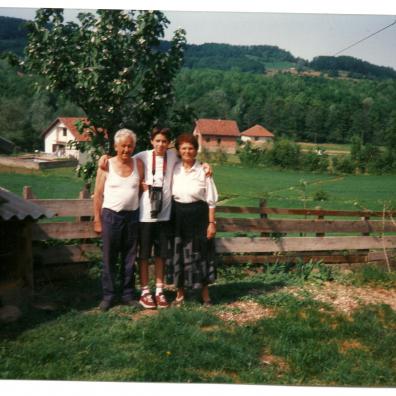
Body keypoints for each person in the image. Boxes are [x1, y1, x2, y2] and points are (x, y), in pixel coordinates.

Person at [98, 127, 212, 310]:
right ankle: (144, 291)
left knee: (161, 255)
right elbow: (121, 157)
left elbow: (189, 156)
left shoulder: (173, 157)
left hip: (165, 216)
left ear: (168, 144)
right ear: (151, 141)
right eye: (157, 141)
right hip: (144, 216)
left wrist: (205, 165)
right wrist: (104, 157)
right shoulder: (141, 156)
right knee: (143, 255)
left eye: (164, 141)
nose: (160, 144)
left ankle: (159, 290)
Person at [93, 129, 144, 311]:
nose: (126, 149)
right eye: (123, 146)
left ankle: (128, 294)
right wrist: (97, 220)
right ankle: (108, 296)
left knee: (130, 258)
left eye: (130, 146)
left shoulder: (139, 164)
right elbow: (98, 195)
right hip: (111, 216)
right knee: (109, 258)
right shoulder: (106, 165)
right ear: (115, 146)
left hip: (132, 217)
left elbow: (140, 189)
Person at [168, 133, 218, 306]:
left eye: (191, 148)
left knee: (201, 253)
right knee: (179, 253)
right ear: (179, 151)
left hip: (199, 215)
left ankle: (205, 295)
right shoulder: (174, 168)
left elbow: (211, 199)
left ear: (196, 150)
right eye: (183, 148)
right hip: (178, 215)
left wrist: (211, 223)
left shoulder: (203, 170)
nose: (187, 151)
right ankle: (180, 295)